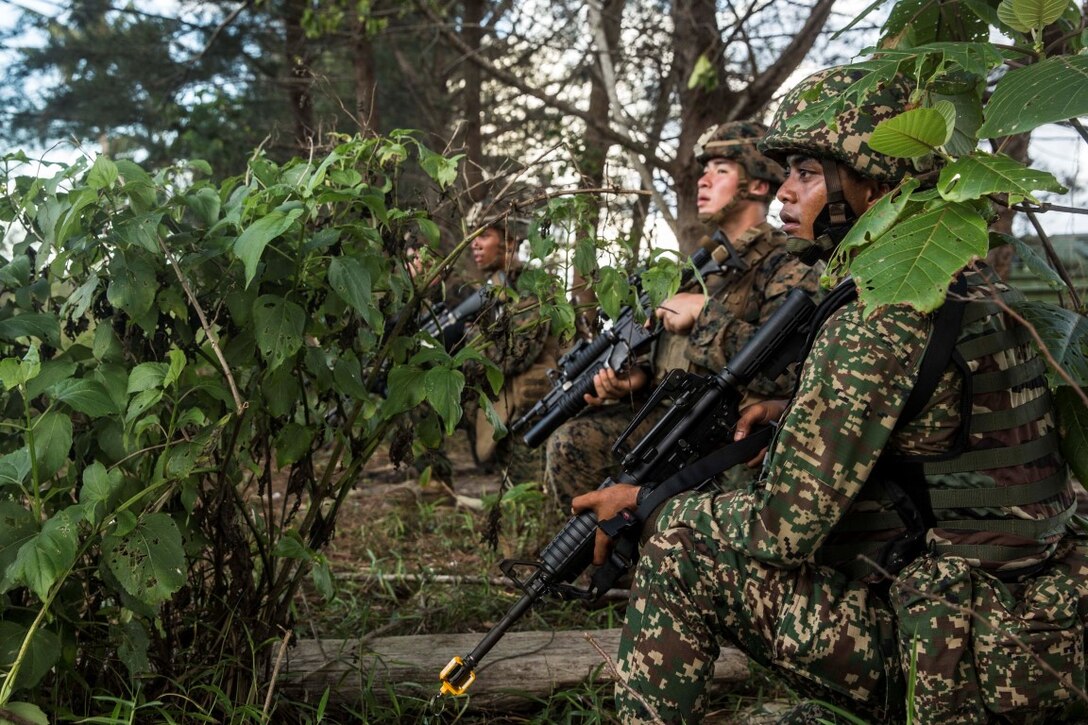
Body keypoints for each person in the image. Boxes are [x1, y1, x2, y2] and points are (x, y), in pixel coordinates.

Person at [573, 66, 1086, 724]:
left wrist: (645, 503)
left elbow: (779, 531)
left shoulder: (881, 312)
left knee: (681, 541)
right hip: (1030, 628)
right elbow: (941, 436)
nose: (785, 191)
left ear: (872, 181)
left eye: (809, 173)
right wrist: (792, 412)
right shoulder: (965, 278)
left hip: (955, 660)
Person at [545, 121, 821, 504]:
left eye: (720, 170)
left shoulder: (788, 263)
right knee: (572, 441)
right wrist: (638, 379)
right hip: (672, 415)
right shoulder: (699, 264)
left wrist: (705, 314)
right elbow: (668, 352)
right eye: (704, 171)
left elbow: (793, 371)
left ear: (758, 185)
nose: (703, 181)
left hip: (731, 431)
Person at [464, 207, 560, 486]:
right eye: (473, 236)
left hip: (532, 409)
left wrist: (470, 340)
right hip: (505, 404)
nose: (474, 244)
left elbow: (513, 354)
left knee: (528, 495)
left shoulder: (532, 285)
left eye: (485, 235)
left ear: (508, 243)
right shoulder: (492, 287)